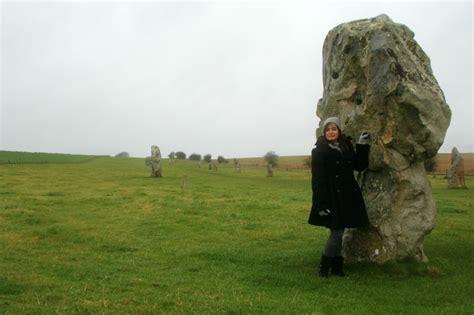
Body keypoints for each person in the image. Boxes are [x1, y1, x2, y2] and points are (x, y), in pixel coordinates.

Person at [308, 117, 370, 277]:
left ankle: (336, 268)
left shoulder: (346, 146)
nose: (330, 132)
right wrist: (320, 205)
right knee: (336, 233)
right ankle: (324, 268)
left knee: (340, 232)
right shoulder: (319, 151)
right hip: (331, 197)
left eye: (334, 129)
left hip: (348, 195)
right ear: (324, 132)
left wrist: (362, 146)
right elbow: (318, 180)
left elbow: (360, 165)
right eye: (328, 129)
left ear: (339, 131)